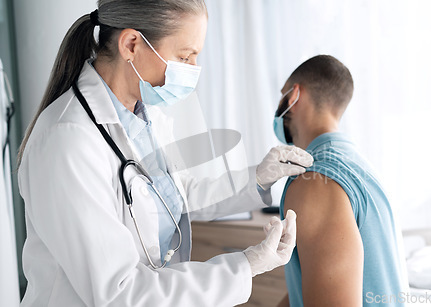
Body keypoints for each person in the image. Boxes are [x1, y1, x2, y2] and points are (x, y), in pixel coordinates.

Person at [16, 1, 314, 306]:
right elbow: (120, 292)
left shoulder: (146, 118)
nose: (193, 71)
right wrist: (245, 266)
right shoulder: (69, 139)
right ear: (131, 44)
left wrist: (257, 179)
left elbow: (175, 198)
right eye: (184, 57)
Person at [274, 55, 408, 306]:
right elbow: (310, 284)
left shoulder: (316, 183)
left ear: (294, 96)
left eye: (282, 95)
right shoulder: (358, 164)